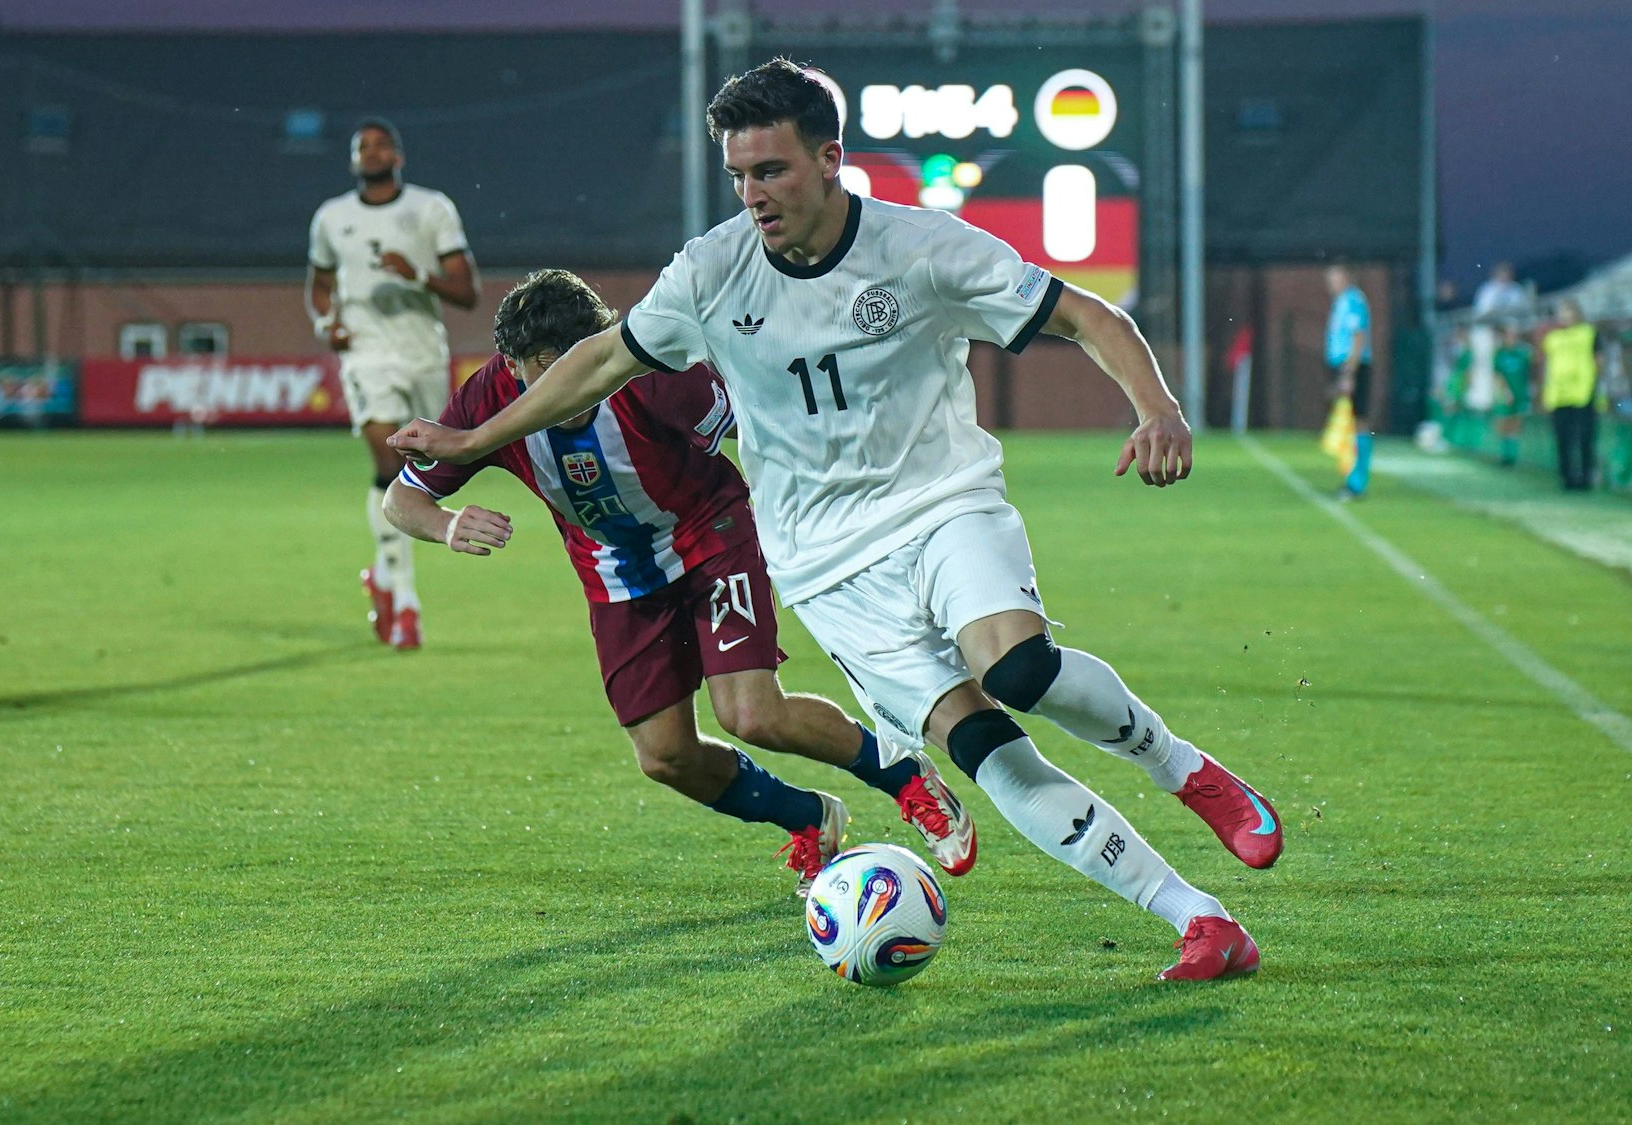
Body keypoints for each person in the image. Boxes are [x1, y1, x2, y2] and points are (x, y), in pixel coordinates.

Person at [395, 59, 1280, 982]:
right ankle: (1200, 918)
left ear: (830, 160)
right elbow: (598, 362)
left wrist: (1157, 408)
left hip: (941, 504)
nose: (752, 195)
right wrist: (473, 443)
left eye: (770, 171)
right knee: (979, 744)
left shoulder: (923, 246)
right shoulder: (710, 270)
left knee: (1016, 666)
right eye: (737, 175)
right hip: (824, 564)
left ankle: (1185, 769)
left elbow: (1089, 317)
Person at [384, 268, 976, 894]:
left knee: (751, 714)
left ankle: (904, 777)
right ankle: (808, 818)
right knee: (665, 757)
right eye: (539, 370)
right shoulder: (487, 399)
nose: (559, 385)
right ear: (511, 364)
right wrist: (447, 525)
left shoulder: (655, 373)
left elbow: (764, 433)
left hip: (709, 539)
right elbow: (403, 499)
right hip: (616, 575)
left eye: (571, 365)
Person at [306, 117, 479, 650]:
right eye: (364, 146)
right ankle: (406, 602)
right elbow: (318, 286)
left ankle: (382, 578)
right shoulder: (332, 218)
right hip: (366, 354)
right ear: (353, 159)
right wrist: (325, 324)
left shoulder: (431, 209)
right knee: (387, 460)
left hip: (423, 353)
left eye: (382, 145)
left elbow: (467, 291)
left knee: (418, 470)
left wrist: (416, 275)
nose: (373, 153)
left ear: (398, 156)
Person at [1326, 265, 1375, 500]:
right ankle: (1350, 478)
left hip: (1353, 367)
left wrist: (1349, 373)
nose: (1331, 284)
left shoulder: (1354, 300)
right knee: (1348, 422)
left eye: (1335, 279)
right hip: (1343, 366)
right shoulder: (1342, 301)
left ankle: (1357, 481)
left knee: (1358, 422)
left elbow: (1358, 337)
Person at [1540, 299, 1599, 491]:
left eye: (1570, 312)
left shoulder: (1589, 333)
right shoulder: (1553, 338)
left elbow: (1599, 361)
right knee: (1562, 439)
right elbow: (1546, 366)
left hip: (1583, 393)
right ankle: (1566, 478)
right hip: (1558, 396)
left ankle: (1585, 478)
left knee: (1584, 438)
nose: (1567, 317)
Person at [1490, 322, 1535, 467]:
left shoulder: (1523, 353)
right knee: (1504, 423)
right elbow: (1497, 374)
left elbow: (1532, 370)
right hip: (1505, 394)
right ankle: (1505, 455)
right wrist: (1504, 391)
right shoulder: (1499, 353)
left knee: (1516, 424)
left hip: (1521, 393)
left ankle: (1512, 457)